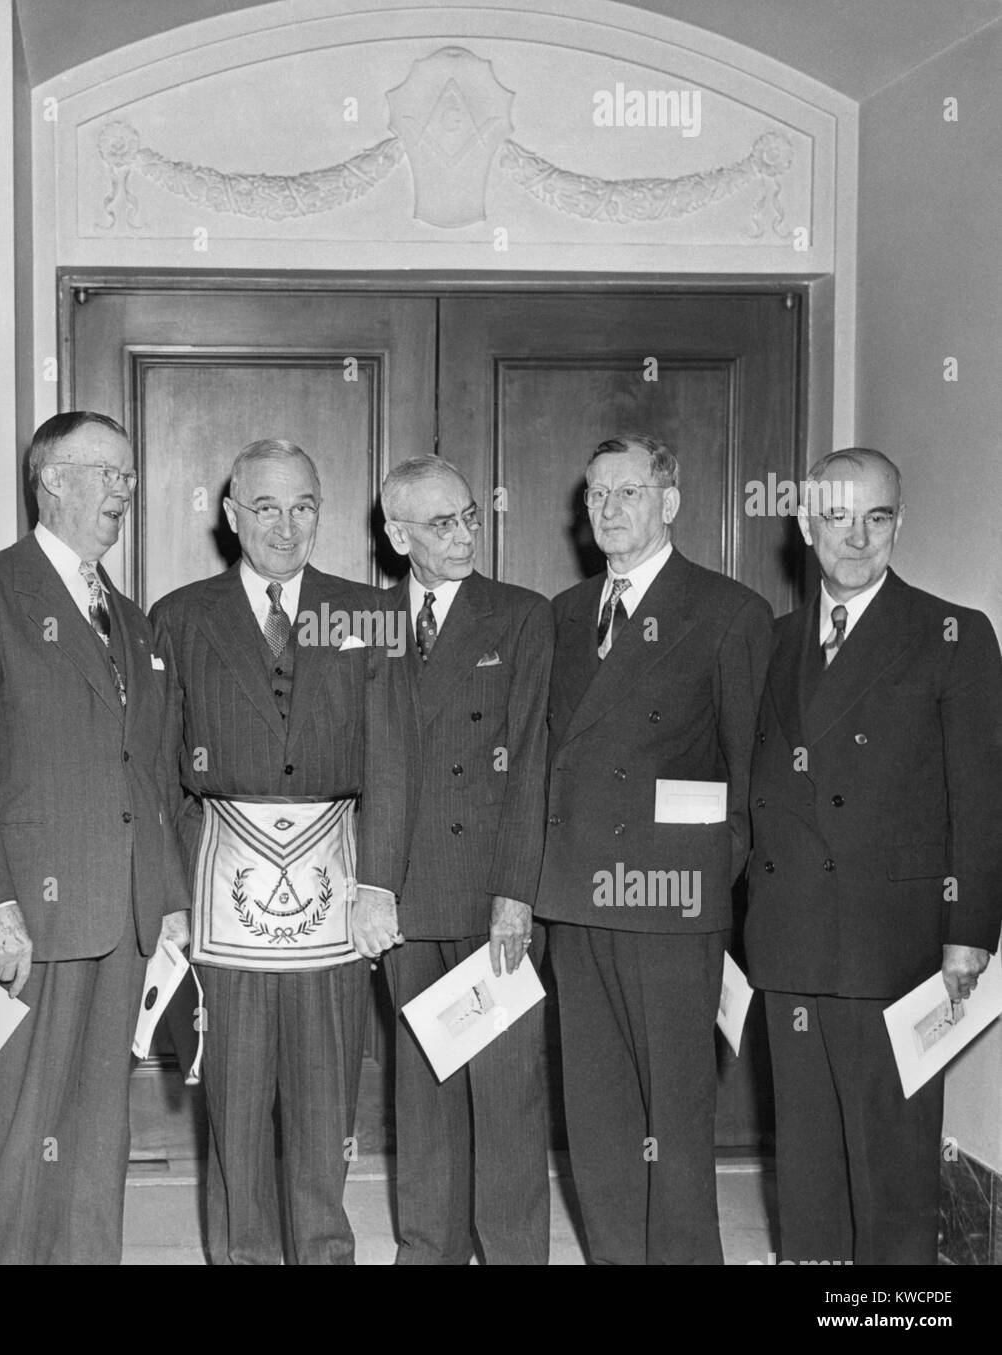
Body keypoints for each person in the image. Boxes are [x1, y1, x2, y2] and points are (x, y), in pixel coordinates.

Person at [0, 411, 191, 1264]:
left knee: (96, 1138)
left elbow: (149, 773)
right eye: (104, 472)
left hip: (122, 923)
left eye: (128, 474)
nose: (123, 490)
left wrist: (166, 900)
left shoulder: (131, 617)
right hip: (30, 926)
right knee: (16, 1133)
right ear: (50, 480)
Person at [745, 447, 1002, 1265]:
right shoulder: (774, 641)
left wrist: (971, 931)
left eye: (878, 516)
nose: (856, 537)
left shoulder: (951, 633)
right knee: (809, 1171)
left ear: (901, 523)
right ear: (803, 522)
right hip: (788, 941)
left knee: (891, 1174)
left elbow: (983, 795)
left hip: (893, 945)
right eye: (837, 516)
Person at [150, 438, 401, 1265]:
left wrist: (381, 884)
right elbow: (157, 772)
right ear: (231, 516)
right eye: (265, 507)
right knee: (237, 1105)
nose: (285, 526)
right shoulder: (181, 617)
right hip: (224, 902)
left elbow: (395, 763)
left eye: (302, 507)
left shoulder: (369, 611)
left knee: (325, 1109)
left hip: (335, 899)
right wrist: (172, 899)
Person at [534, 432, 773, 1264]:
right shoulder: (562, 615)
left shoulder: (729, 612)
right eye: (596, 494)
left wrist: (703, 884)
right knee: (596, 1116)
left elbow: (749, 782)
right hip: (573, 900)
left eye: (628, 493)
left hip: (670, 905)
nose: (608, 509)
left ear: (669, 503)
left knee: (673, 1121)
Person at [374, 456, 553, 1265]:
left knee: (506, 1098)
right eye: (441, 522)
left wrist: (516, 893)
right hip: (404, 900)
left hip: (491, 899)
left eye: (470, 515)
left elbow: (536, 763)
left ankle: (514, 1253)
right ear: (396, 533)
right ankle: (428, 1251)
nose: (463, 534)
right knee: (422, 1095)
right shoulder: (368, 620)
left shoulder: (521, 616)